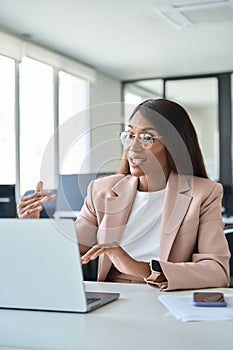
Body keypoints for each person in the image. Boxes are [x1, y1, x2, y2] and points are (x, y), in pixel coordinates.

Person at [17, 98, 230, 291]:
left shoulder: (204, 194)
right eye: (130, 135)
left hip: (167, 296)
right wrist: (33, 227)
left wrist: (142, 268)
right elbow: (69, 251)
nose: (132, 147)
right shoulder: (101, 190)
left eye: (147, 138)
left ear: (174, 145)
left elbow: (218, 271)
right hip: (112, 295)